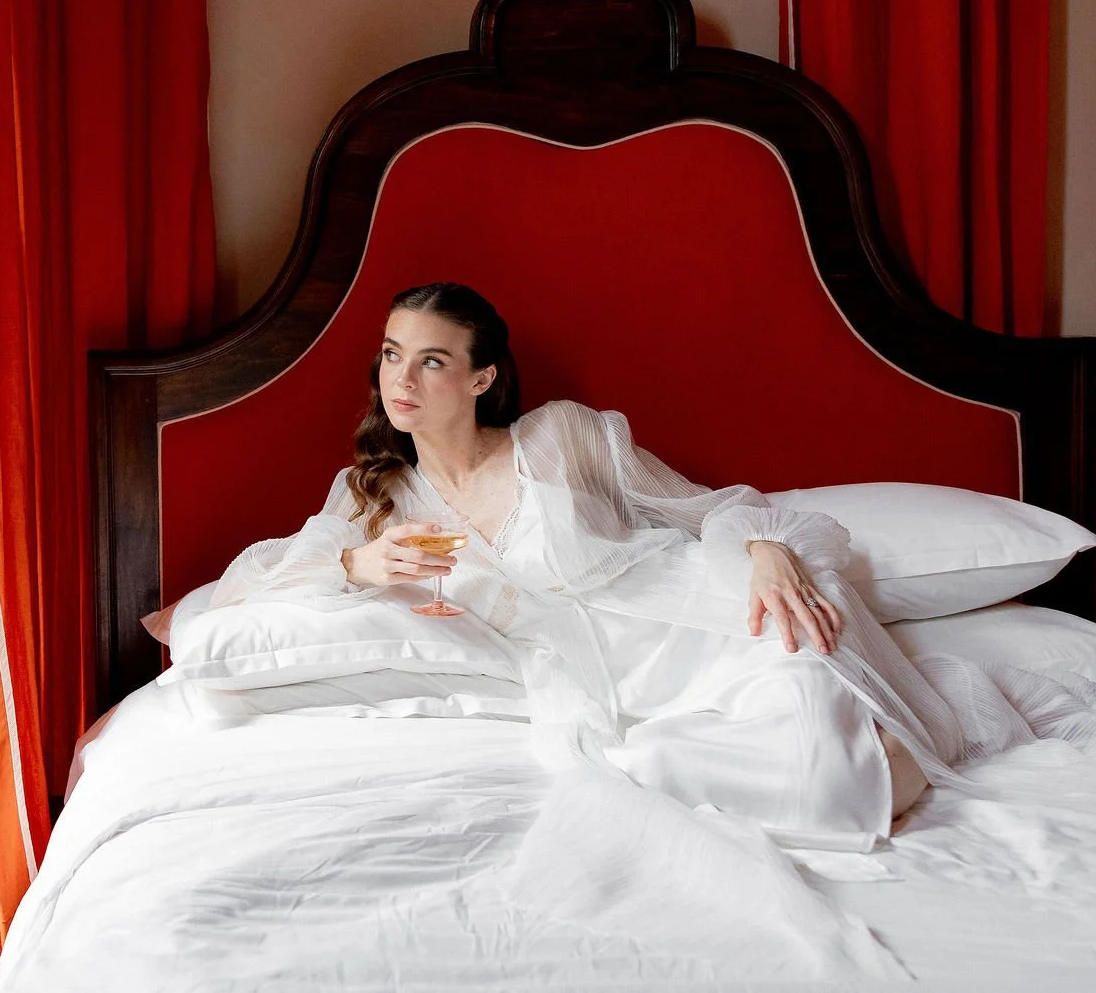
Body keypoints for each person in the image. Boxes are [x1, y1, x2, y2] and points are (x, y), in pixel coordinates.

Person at [212, 281, 934, 845]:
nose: (401, 376)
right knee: (647, 772)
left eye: (433, 359)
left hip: (694, 619)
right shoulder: (374, 494)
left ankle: (882, 765)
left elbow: (699, 507)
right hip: (597, 685)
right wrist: (356, 562)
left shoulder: (561, 434)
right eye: (393, 352)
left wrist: (766, 547)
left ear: (481, 378)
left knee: (807, 688)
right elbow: (243, 589)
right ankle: (860, 779)